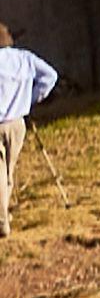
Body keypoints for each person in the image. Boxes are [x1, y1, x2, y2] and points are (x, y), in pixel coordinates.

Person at [0, 24, 50, 238]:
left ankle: (2, 222)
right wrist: (29, 100)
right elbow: (50, 77)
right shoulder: (25, 58)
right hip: (18, 123)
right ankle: (3, 213)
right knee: (8, 172)